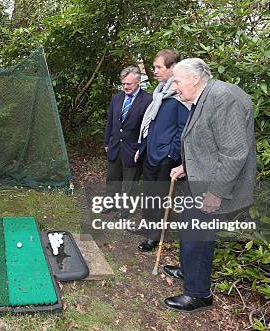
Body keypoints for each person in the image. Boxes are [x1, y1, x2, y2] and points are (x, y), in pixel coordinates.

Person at [165, 58, 256, 312]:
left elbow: (234, 152)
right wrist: (187, 166)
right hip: (199, 179)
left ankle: (198, 294)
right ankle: (188, 270)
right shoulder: (205, 96)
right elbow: (207, 142)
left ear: (195, 79)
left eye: (178, 81)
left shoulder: (223, 97)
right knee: (189, 230)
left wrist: (216, 192)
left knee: (198, 236)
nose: (175, 87)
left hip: (214, 185)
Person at [135, 49, 190, 251]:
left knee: (159, 197)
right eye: (154, 67)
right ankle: (146, 225)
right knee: (148, 192)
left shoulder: (180, 96)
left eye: (159, 67)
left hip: (165, 157)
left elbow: (183, 129)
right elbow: (151, 124)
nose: (154, 70)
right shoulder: (159, 93)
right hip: (150, 153)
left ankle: (154, 236)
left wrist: (171, 154)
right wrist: (142, 147)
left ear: (172, 68)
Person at [104, 67, 153, 211]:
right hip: (114, 146)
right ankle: (110, 204)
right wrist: (107, 142)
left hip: (133, 149)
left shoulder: (148, 100)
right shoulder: (116, 98)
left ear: (138, 82)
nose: (125, 87)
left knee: (129, 183)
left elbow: (147, 128)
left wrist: (141, 148)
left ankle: (124, 210)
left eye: (129, 84)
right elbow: (110, 122)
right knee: (112, 178)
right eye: (123, 84)